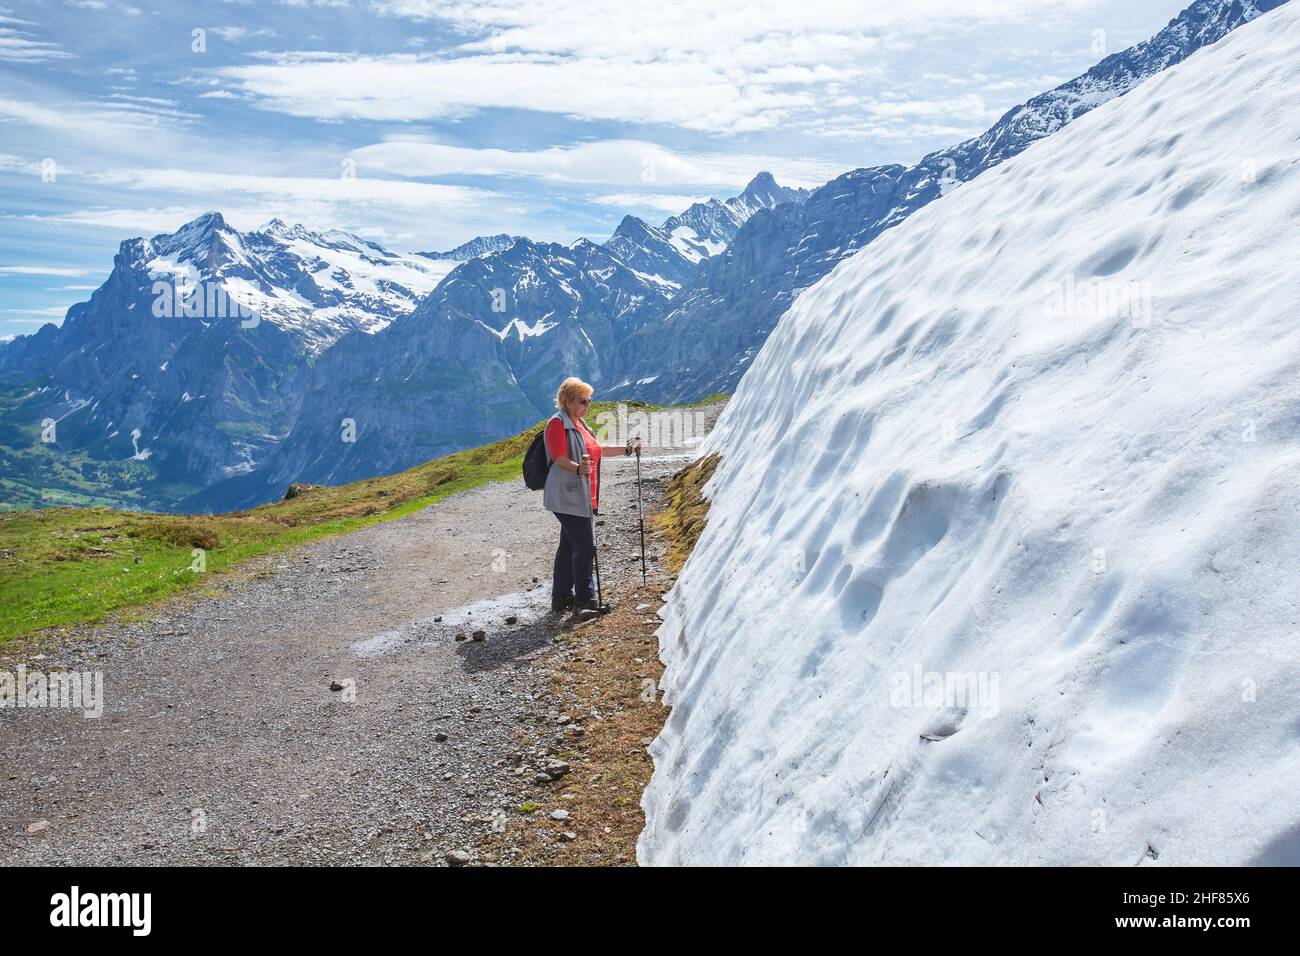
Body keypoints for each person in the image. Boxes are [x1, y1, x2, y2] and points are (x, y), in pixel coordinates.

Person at [543, 377, 641, 613]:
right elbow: (558, 458)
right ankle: (585, 601)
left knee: (568, 547)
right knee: (586, 548)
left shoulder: (580, 424)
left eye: (589, 400)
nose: (587, 405)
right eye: (582, 401)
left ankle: (561, 598)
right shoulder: (557, 424)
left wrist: (627, 449)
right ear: (566, 401)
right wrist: (578, 468)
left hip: (582, 495)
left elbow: (598, 450)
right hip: (567, 496)